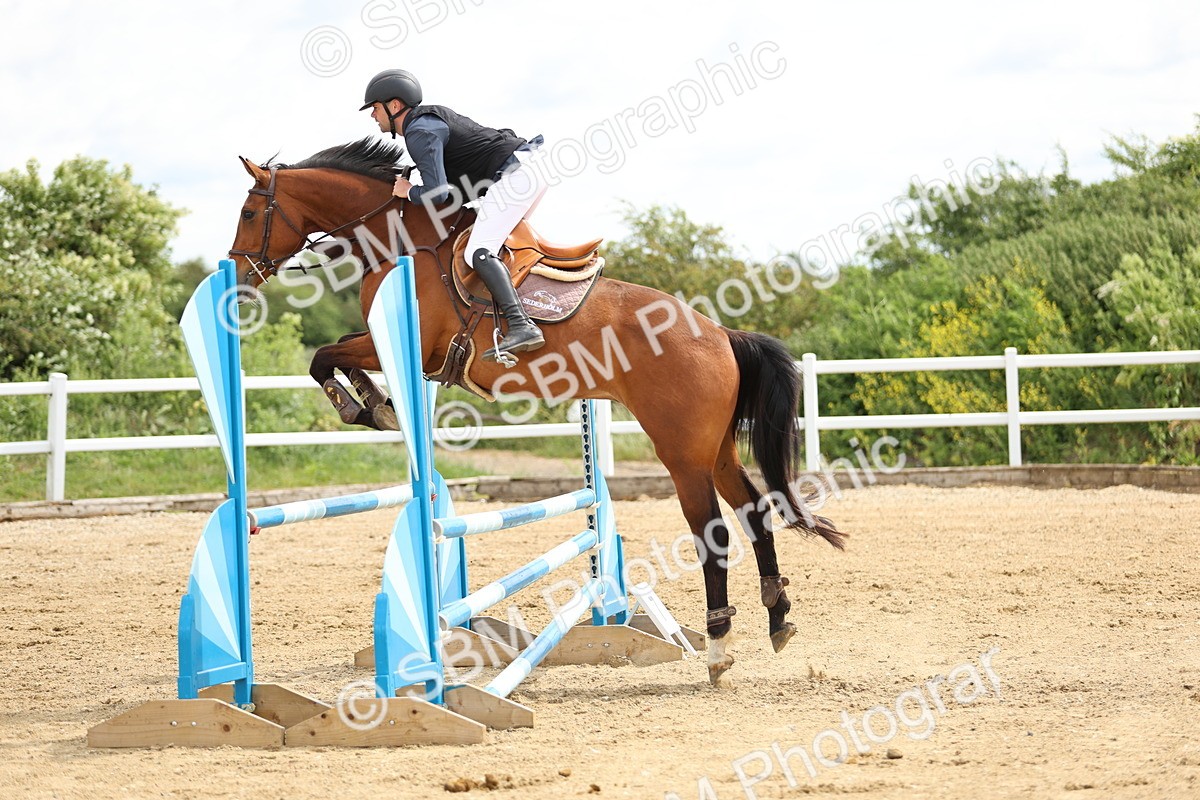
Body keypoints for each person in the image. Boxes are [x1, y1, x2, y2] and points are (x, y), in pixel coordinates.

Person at [361, 68, 546, 362]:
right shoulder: (427, 123)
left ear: (394, 105)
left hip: (516, 175)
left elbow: (437, 193)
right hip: (527, 169)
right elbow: (454, 190)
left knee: (479, 251)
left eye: (375, 108)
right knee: (499, 247)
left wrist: (409, 191)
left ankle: (522, 325)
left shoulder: (419, 131)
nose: (373, 115)